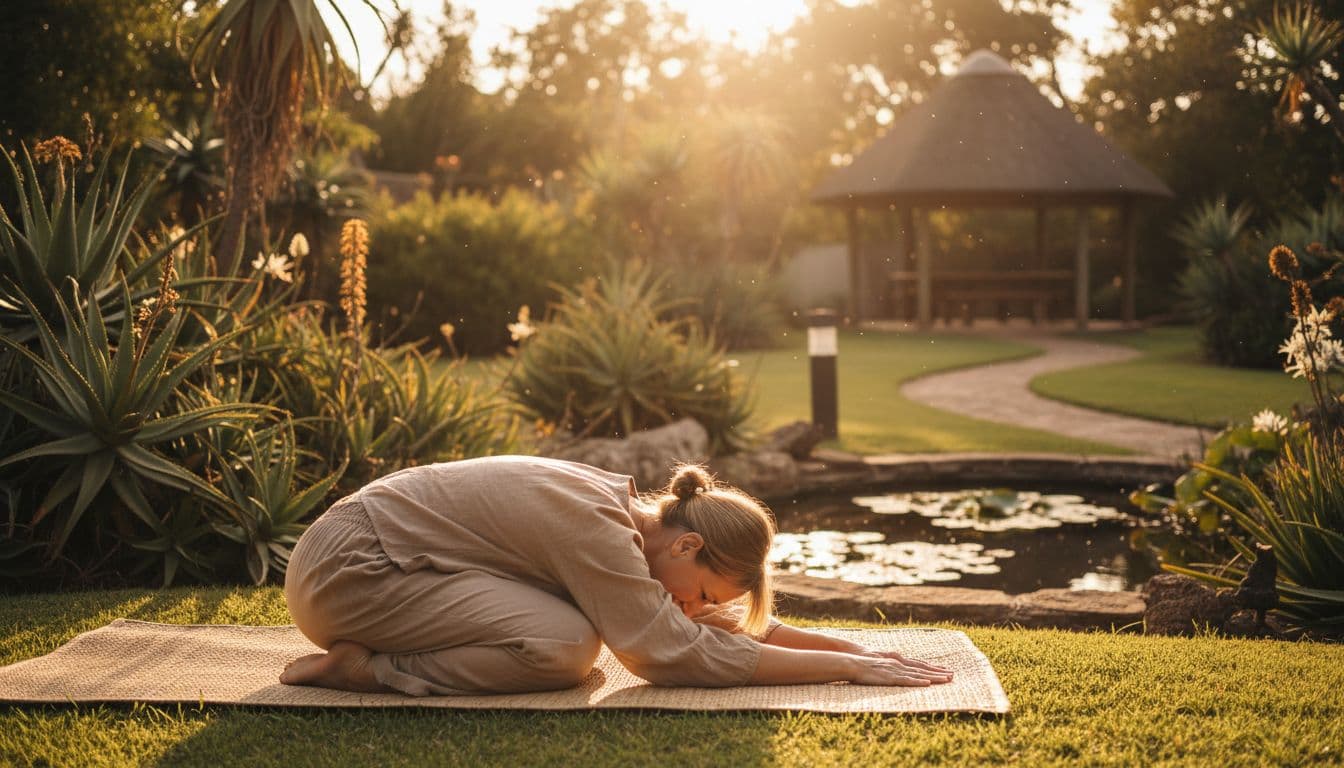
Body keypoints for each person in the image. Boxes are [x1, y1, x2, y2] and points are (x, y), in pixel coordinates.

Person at [279, 455, 953, 695]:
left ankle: (371, 660)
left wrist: (855, 650)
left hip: (375, 560)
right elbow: (668, 651)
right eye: (704, 591)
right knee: (565, 647)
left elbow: (712, 623)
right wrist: (841, 674)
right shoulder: (599, 529)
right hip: (351, 571)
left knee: (571, 637)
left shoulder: (632, 520)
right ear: (687, 545)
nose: (694, 607)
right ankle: (369, 671)